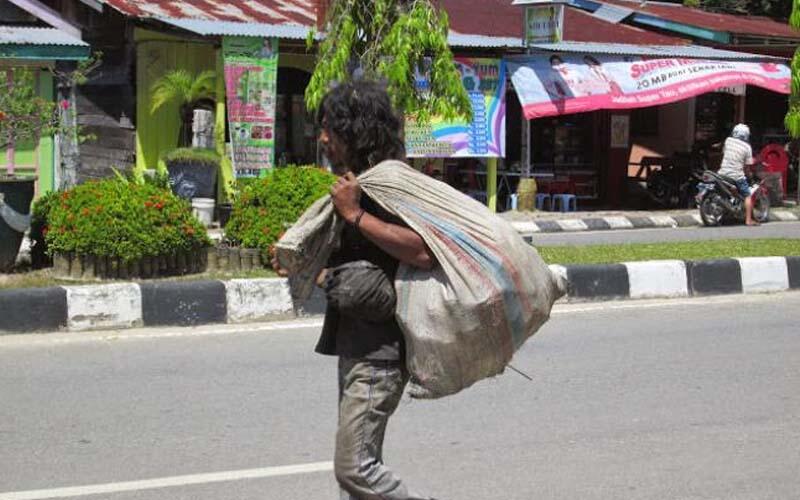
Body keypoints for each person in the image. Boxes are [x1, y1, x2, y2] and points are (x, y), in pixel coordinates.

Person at [273, 80, 437, 500]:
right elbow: (357, 263)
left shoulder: (390, 186)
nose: (322, 137)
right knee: (361, 472)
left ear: (357, 131)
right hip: (357, 343)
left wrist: (355, 214)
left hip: (380, 353)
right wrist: (303, 261)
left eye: (331, 128)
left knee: (355, 470)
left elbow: (420, 250)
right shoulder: (358, 182)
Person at [717, 123, 758, 225]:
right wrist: (750, 176)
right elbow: (747, 167)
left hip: (722, 173)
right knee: (747, 195)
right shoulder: (747, 147)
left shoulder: (728, 141)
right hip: (736, 176)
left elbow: (724, 154)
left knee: (733, 190)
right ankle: (748, 220)